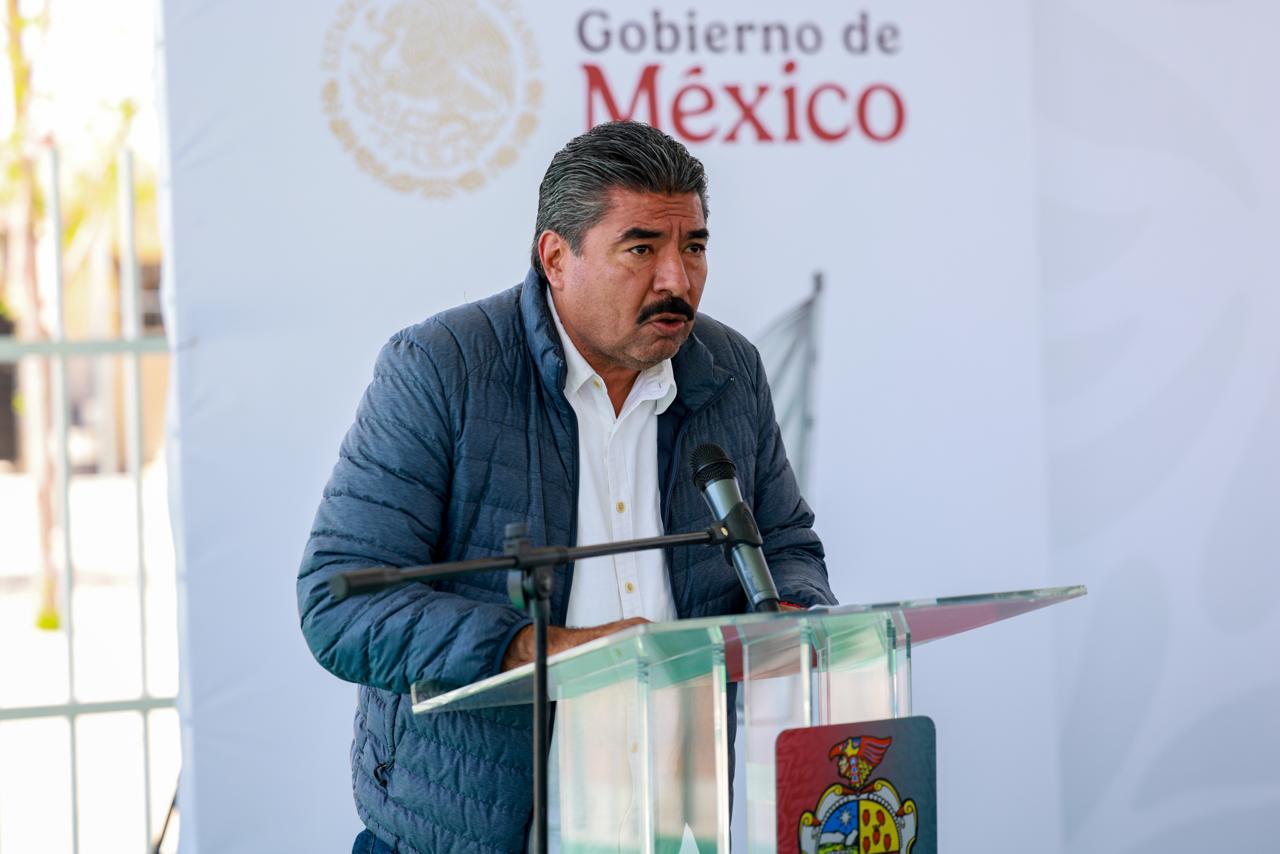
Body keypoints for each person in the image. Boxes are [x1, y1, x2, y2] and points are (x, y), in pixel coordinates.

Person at [297, 120, 836, 854]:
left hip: (674, 828)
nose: (677, 280)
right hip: (470, 833)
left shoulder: (729, 370)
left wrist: (795, 610)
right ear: (556, 257)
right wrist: (540, 648)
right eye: (641, 248)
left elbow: (786, 542)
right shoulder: (442, 368)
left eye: (694, 246)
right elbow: (339, 603)